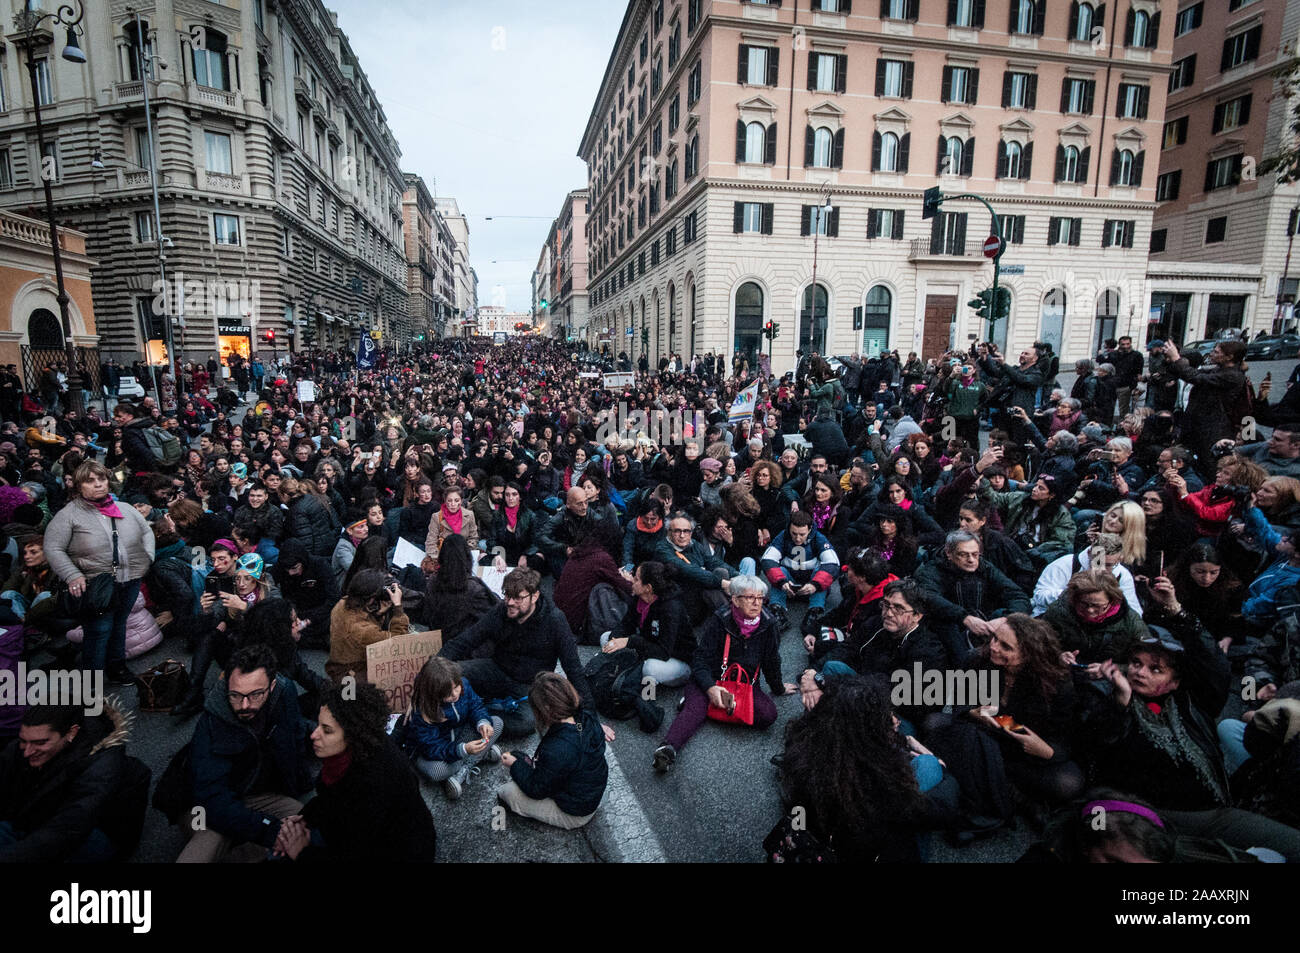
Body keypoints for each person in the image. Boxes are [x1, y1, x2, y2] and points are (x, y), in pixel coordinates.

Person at [1077, 577, 1234, 812]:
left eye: (1156, 669)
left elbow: (1214, 664)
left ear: (1174, 682)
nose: (1140, 673)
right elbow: (1102, 752)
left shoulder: (1191, 701)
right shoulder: (1106, 694)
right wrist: (1122, 703)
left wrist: (1175, 610)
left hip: (1211, 808)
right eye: (1136, 663)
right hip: (1145, 815)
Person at [926, 614, 1084, 825]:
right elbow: (952, 701)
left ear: (1029, 655)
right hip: (982, 736)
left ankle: (998, 785)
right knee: (934, 724)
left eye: (1006, 647)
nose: (994, 647)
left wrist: (1046, 750)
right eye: (995, 639)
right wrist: (972, 711)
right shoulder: (978, 660)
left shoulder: (1056, 683)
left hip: (1023, 749)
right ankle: (1016, 796)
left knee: (1069, 782)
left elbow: (1066, 737)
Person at [774, 677, 941, 863]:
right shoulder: (882, 785)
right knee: (928, 765)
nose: (894, 719)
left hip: (816, 844)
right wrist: (934, 759)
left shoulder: (807, 752)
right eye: (887, 716)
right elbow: (938, 811)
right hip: (866, 850)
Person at [271, 681, 438, 862]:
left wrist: (301, 853)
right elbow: (332, 798)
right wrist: (305, 817)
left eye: (327, 731)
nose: (314, 734)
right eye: (318, 725)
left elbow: (355, 852)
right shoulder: (360, 748)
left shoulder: (372, 785)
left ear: (352, 735)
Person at [178, 645, 314, 863]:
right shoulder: (212, 721)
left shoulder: (284, 693)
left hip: (254, 794)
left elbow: (296, 732)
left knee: (302, 822)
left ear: (273, 686)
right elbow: (211, 798)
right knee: (210, 839)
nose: (244, 705)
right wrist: (268, 830)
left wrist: (301, 780)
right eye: (235, 695)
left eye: (255, 694)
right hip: (203, 805)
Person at [652, 574, 798, 772]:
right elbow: (700, 659)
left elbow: (772, 660)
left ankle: (702, 704)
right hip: (712, 677)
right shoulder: (720, 620)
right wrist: (710, 688)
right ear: (735, 600)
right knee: (695, 710)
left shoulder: (768, 624)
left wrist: (778, 688)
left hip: (744, 683)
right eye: (750, 598)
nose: (757, 603)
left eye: (760, 598)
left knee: (768, 715)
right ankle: (668, 748)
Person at [440, 568, 607, 740]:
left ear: (534, 596)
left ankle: (472, 717)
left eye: (518, 598)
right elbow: (466, 640)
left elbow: (573, 669)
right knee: (453, 672)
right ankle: (473, 715)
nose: (510, 602)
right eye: (507, 595)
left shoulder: (555, 620)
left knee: (527, 723)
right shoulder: (502, 610)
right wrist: (432, 670)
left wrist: (591, 718)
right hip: (497, 669)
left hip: (530, 685)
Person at [43, 461, 155, 681]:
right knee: (98, 630)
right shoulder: (69, 515)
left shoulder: (124, 508)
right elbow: (53, 548)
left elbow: (146, 532)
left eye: (101, 479)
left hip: (129, 579)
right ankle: (91, 680)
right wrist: (72, 574)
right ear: (78, 486)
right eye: (90, 481)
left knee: (120, 624)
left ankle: (117, 668)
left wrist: (147, 558)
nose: (98, 485)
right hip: (97, 584)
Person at [0, 702, 148, 862]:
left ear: (71, 733)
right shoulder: (25, 745)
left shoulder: (102, 765)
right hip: (40, 818)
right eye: (23, 740)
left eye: (40, 743)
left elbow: (70, 826)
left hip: (91, 832)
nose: (27, 751)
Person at [497, 672, 609, 830]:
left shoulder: (558, 748)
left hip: (575, 812)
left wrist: (515, 765)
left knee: (507, 792)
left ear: (546, 710)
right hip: (592, 793)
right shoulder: (587, 717)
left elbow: (537, 789)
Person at [914, 530, 1031, 660]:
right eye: (963, 555)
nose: (971, 560)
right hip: (950, 627)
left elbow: (1017, 595)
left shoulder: (985, 568)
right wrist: (964, 618)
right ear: (949, 553)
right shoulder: (932, 570)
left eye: (975, 554)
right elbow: (930, 597)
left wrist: (1004, 619)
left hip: (983, 623)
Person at [403, 656, 504, 799]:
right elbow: (431, 748)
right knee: (436, 771)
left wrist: (483, 723)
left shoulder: (464, 684)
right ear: (434, 694)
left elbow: (475, 706)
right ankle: (477, 757)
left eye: (456, 687)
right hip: (434, 751)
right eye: (448, 694)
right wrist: (463, 750)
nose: (455, 694)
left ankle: (464, 767)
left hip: (458, 736)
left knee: (497, 722)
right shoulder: (423, 711)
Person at [601, 560, 695, 688]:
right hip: (649, 646)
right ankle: (628, 674)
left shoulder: (670, 608)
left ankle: (647, 697)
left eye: (637, 579)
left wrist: (629, 641)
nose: (632, 580)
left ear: (648, 588)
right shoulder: (640, 598)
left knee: (650, 668)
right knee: (605, 638)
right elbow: (626, 624)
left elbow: (663, 651)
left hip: (676, 660)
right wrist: (614, 638)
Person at [1040, 568, 1150, 663]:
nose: (1090, 610)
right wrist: (1058, 657)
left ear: (1112, 601)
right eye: (1084, 604)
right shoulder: (1058, 612)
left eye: (1097, 606)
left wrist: (1113, 670)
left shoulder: (1131, 622)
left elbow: (1147, 661)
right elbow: (1040, 647)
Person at [325, 569, 410, 684]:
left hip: (339, 663)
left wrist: (377, 614)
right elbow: (398, 640)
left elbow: (361, 625)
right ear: (371, 599)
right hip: (353, 675)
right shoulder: (363, 631)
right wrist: (398, 607)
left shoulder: (342, 603)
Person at [759, 510, 840, 630]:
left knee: (821, 572)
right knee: (778, 570)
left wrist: (815, 584)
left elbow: (833, 564)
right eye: (794, 533)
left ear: (810, 529)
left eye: (802, 534)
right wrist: (781, 581)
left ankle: (814, 612)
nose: (797, 538)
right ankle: (776, 609)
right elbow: (767, 559)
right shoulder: (783, 536)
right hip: (788, 586)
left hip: (811, 585)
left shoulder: (819, 538)